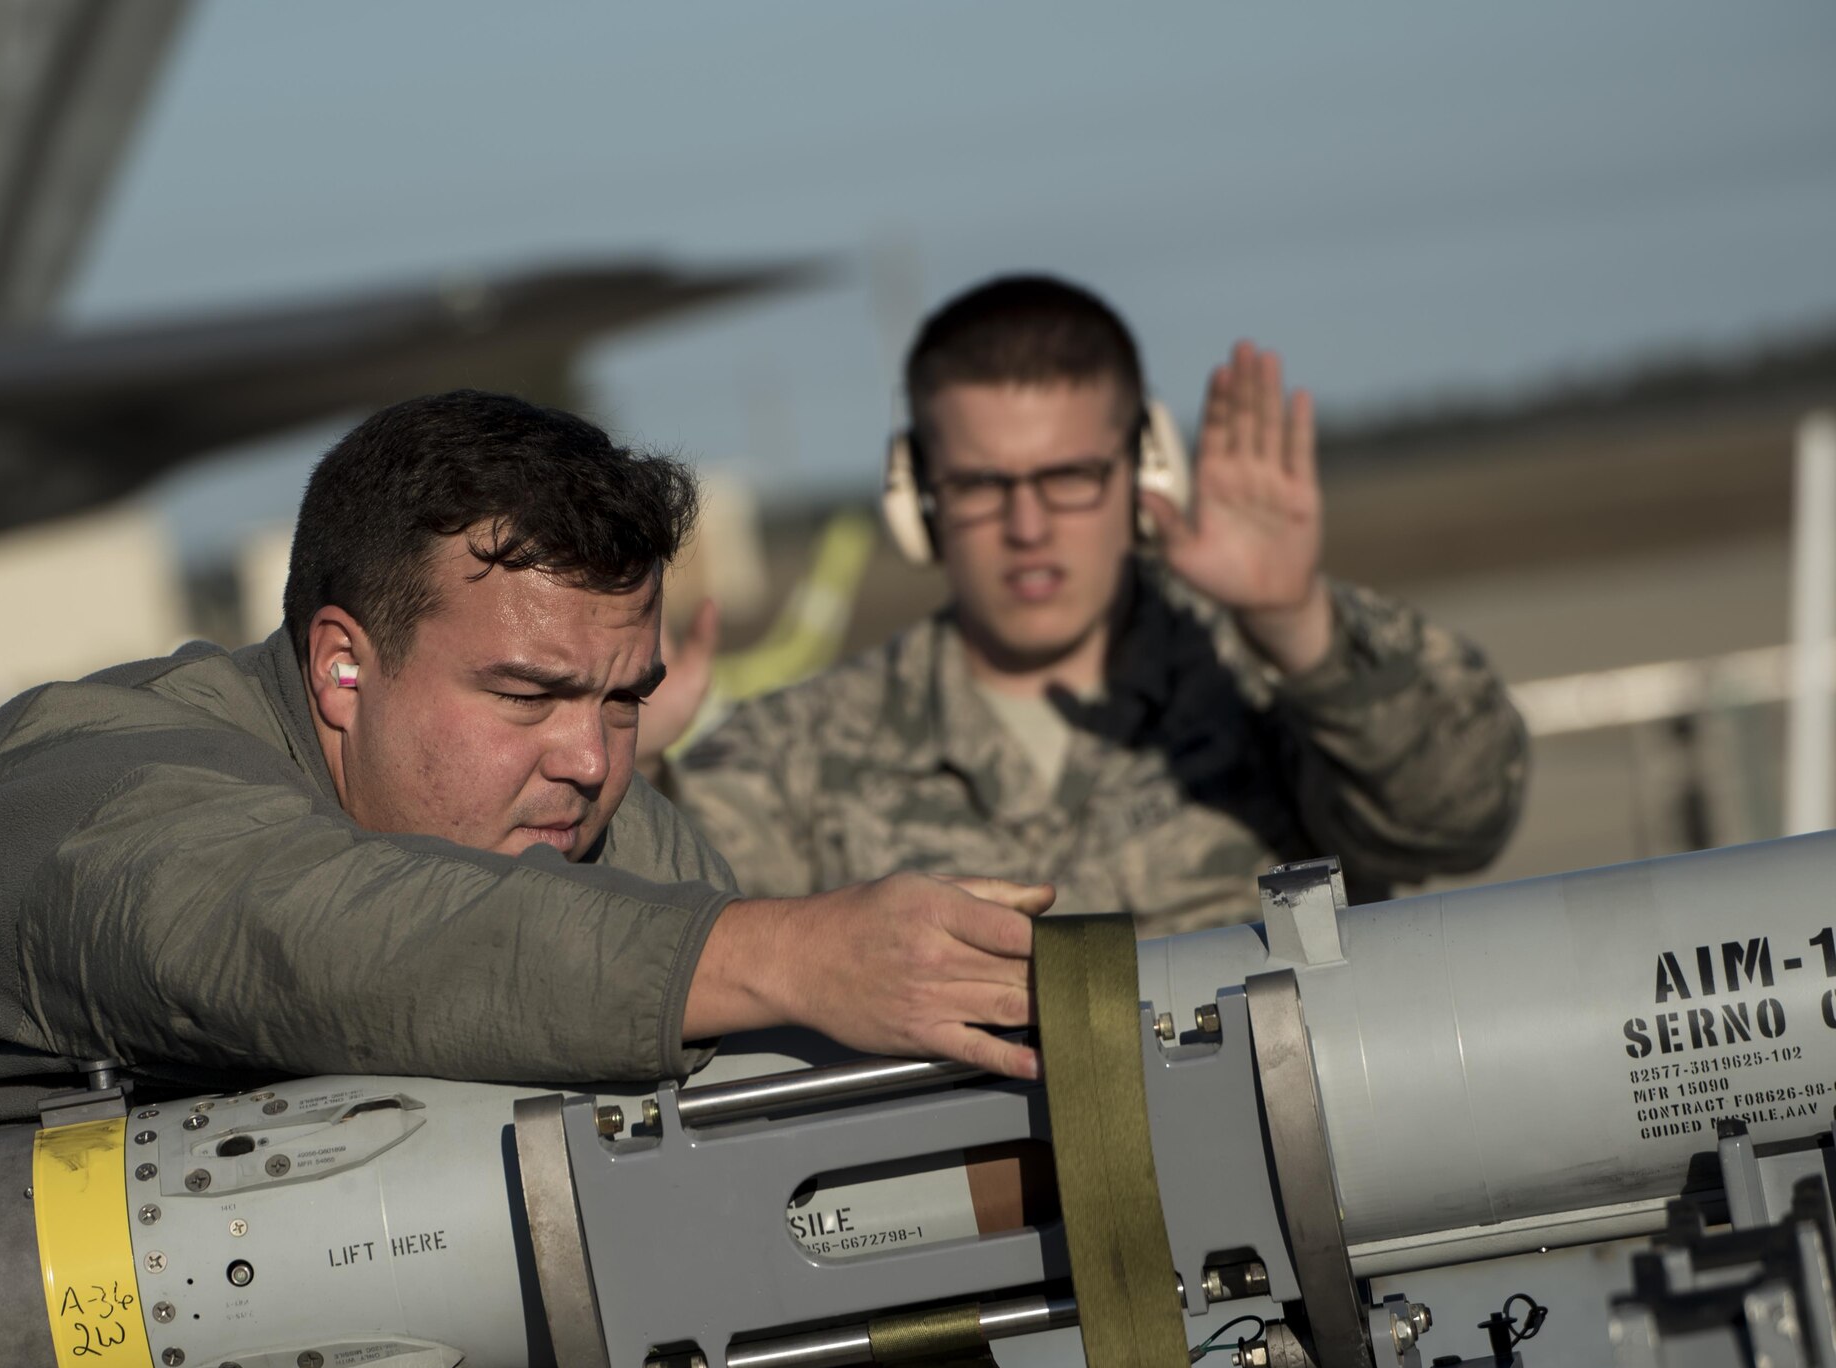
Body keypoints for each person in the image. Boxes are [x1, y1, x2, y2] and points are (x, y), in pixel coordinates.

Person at [0, 390, 1048, 1157]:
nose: (586, 759)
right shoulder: (107, 805)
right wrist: (793, 951)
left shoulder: (586, 830)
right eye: (525, 695)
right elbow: (313, 941)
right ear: (342, 671)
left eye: (621, 698)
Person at [650, 277, 1526, 931]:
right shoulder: (802, 754)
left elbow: (1462, 819)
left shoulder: (1262, 690)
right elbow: (665, 940)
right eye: (982, 484)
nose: (1027, 525)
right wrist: (621, 766)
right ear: (917, 497)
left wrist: (1295, 624)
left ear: (1145, 472)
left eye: (1068, 476)